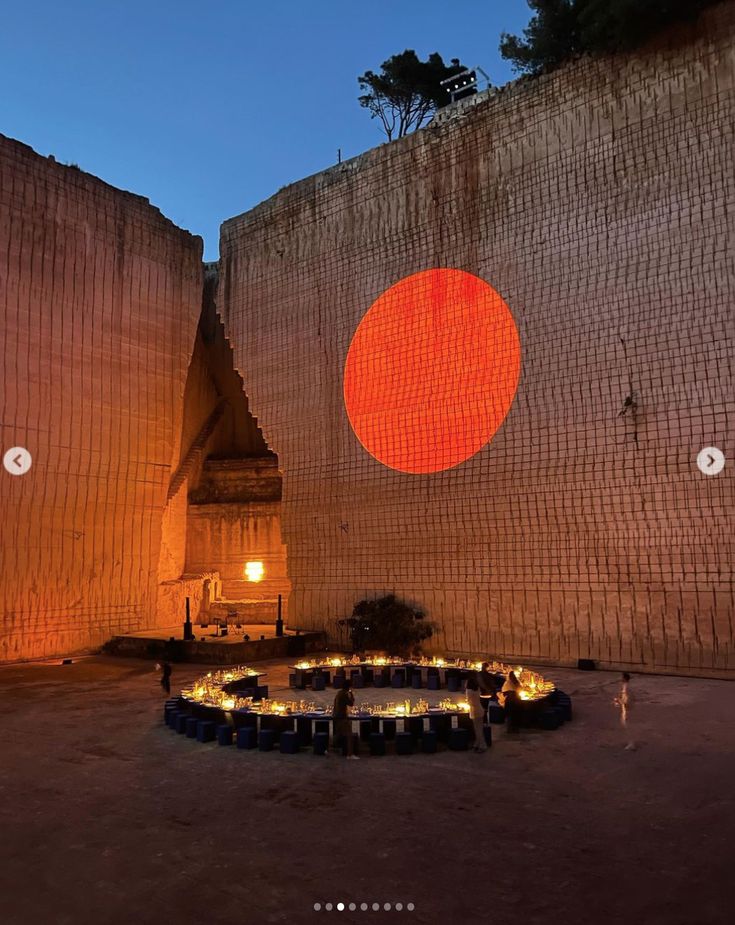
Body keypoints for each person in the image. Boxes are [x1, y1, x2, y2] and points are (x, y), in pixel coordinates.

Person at [332, 678, 359, 759]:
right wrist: (352, 694)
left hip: (336, 716)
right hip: (342, 717)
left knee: (338, 735)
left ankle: (329, 750)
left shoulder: (339, 693)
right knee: (349, 736)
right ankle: (350, 754)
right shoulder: (344, 694)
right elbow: (351, 703)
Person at [613, 672, 636, 750]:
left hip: (627, 710)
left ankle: (631, 744)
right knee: (625, 725)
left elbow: (627, 700)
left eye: (621, 677)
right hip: (625, 709)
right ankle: (630, 742)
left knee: (627, 727)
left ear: (624, 678)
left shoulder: (626, 688)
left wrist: (619, 701)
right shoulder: (624, 687)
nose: (619, 678)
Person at [465, 674, 487, 753]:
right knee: (479, 728)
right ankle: (476, 744)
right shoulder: (477, 688)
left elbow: (469, 701)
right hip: (480, 708)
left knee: (478, 730)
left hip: (474, 711)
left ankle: (482, 746)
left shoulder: (468, 691)